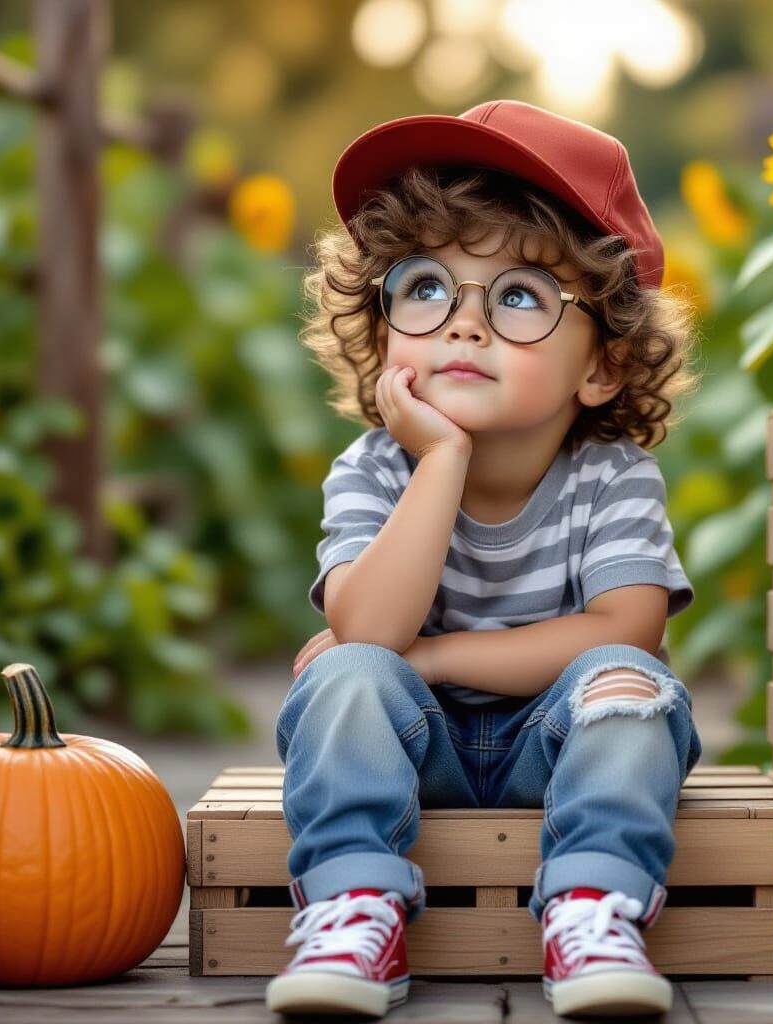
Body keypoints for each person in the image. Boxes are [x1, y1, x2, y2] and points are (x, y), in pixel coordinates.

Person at [266, 99, 704, 1019]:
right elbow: (372, 633)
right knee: (346, 677)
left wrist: (429, 657)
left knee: (628, 684)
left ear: (604, 365)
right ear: (382, 328)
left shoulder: (610, 477)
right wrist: (443, 461)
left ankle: (594, 903)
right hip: (406, 746)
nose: (463, 325)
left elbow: (630, 626)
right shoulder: (374, 469)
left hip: (560, 746)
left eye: (517, 297)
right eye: (426, 287)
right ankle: (356, 905)